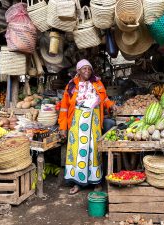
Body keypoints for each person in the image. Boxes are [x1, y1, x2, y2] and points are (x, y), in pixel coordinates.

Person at [58, 59, 117, 195]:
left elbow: (105, 99)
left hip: (94, 122)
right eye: (84, 69)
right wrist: (63, 127)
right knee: (78, 152)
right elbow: (64, 107)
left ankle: (96, 182)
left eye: (89, 69)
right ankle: (78, 183)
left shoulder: (97, 82)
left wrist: (112, 105)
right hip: (77, 122)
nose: (87, 71)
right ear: (78, 71)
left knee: (94, 150)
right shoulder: (71, 85)